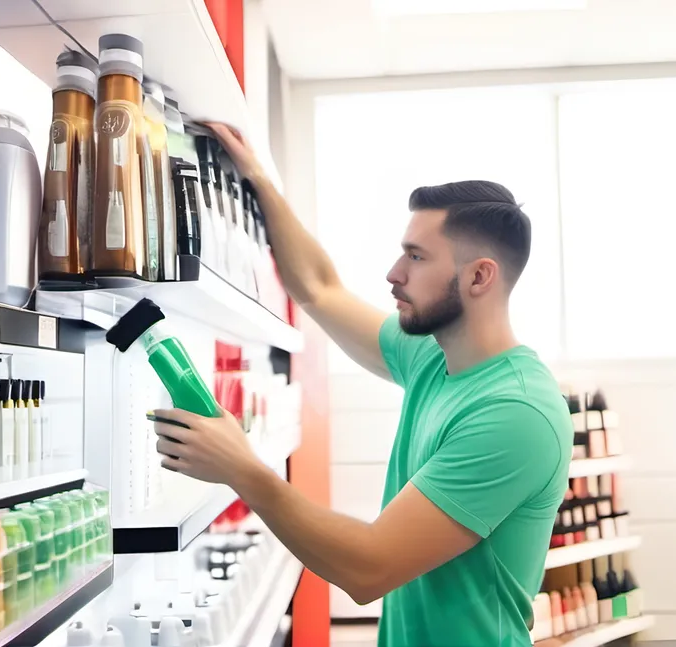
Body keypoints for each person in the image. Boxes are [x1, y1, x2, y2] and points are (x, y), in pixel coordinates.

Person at [152, 123, 573, 647]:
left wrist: (240, 468)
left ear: (480, 277)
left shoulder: (516, 413)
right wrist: (258, 178)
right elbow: (320, 289)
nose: (394, 272)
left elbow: (369, 568)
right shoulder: (431, 354)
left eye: (416, 257)